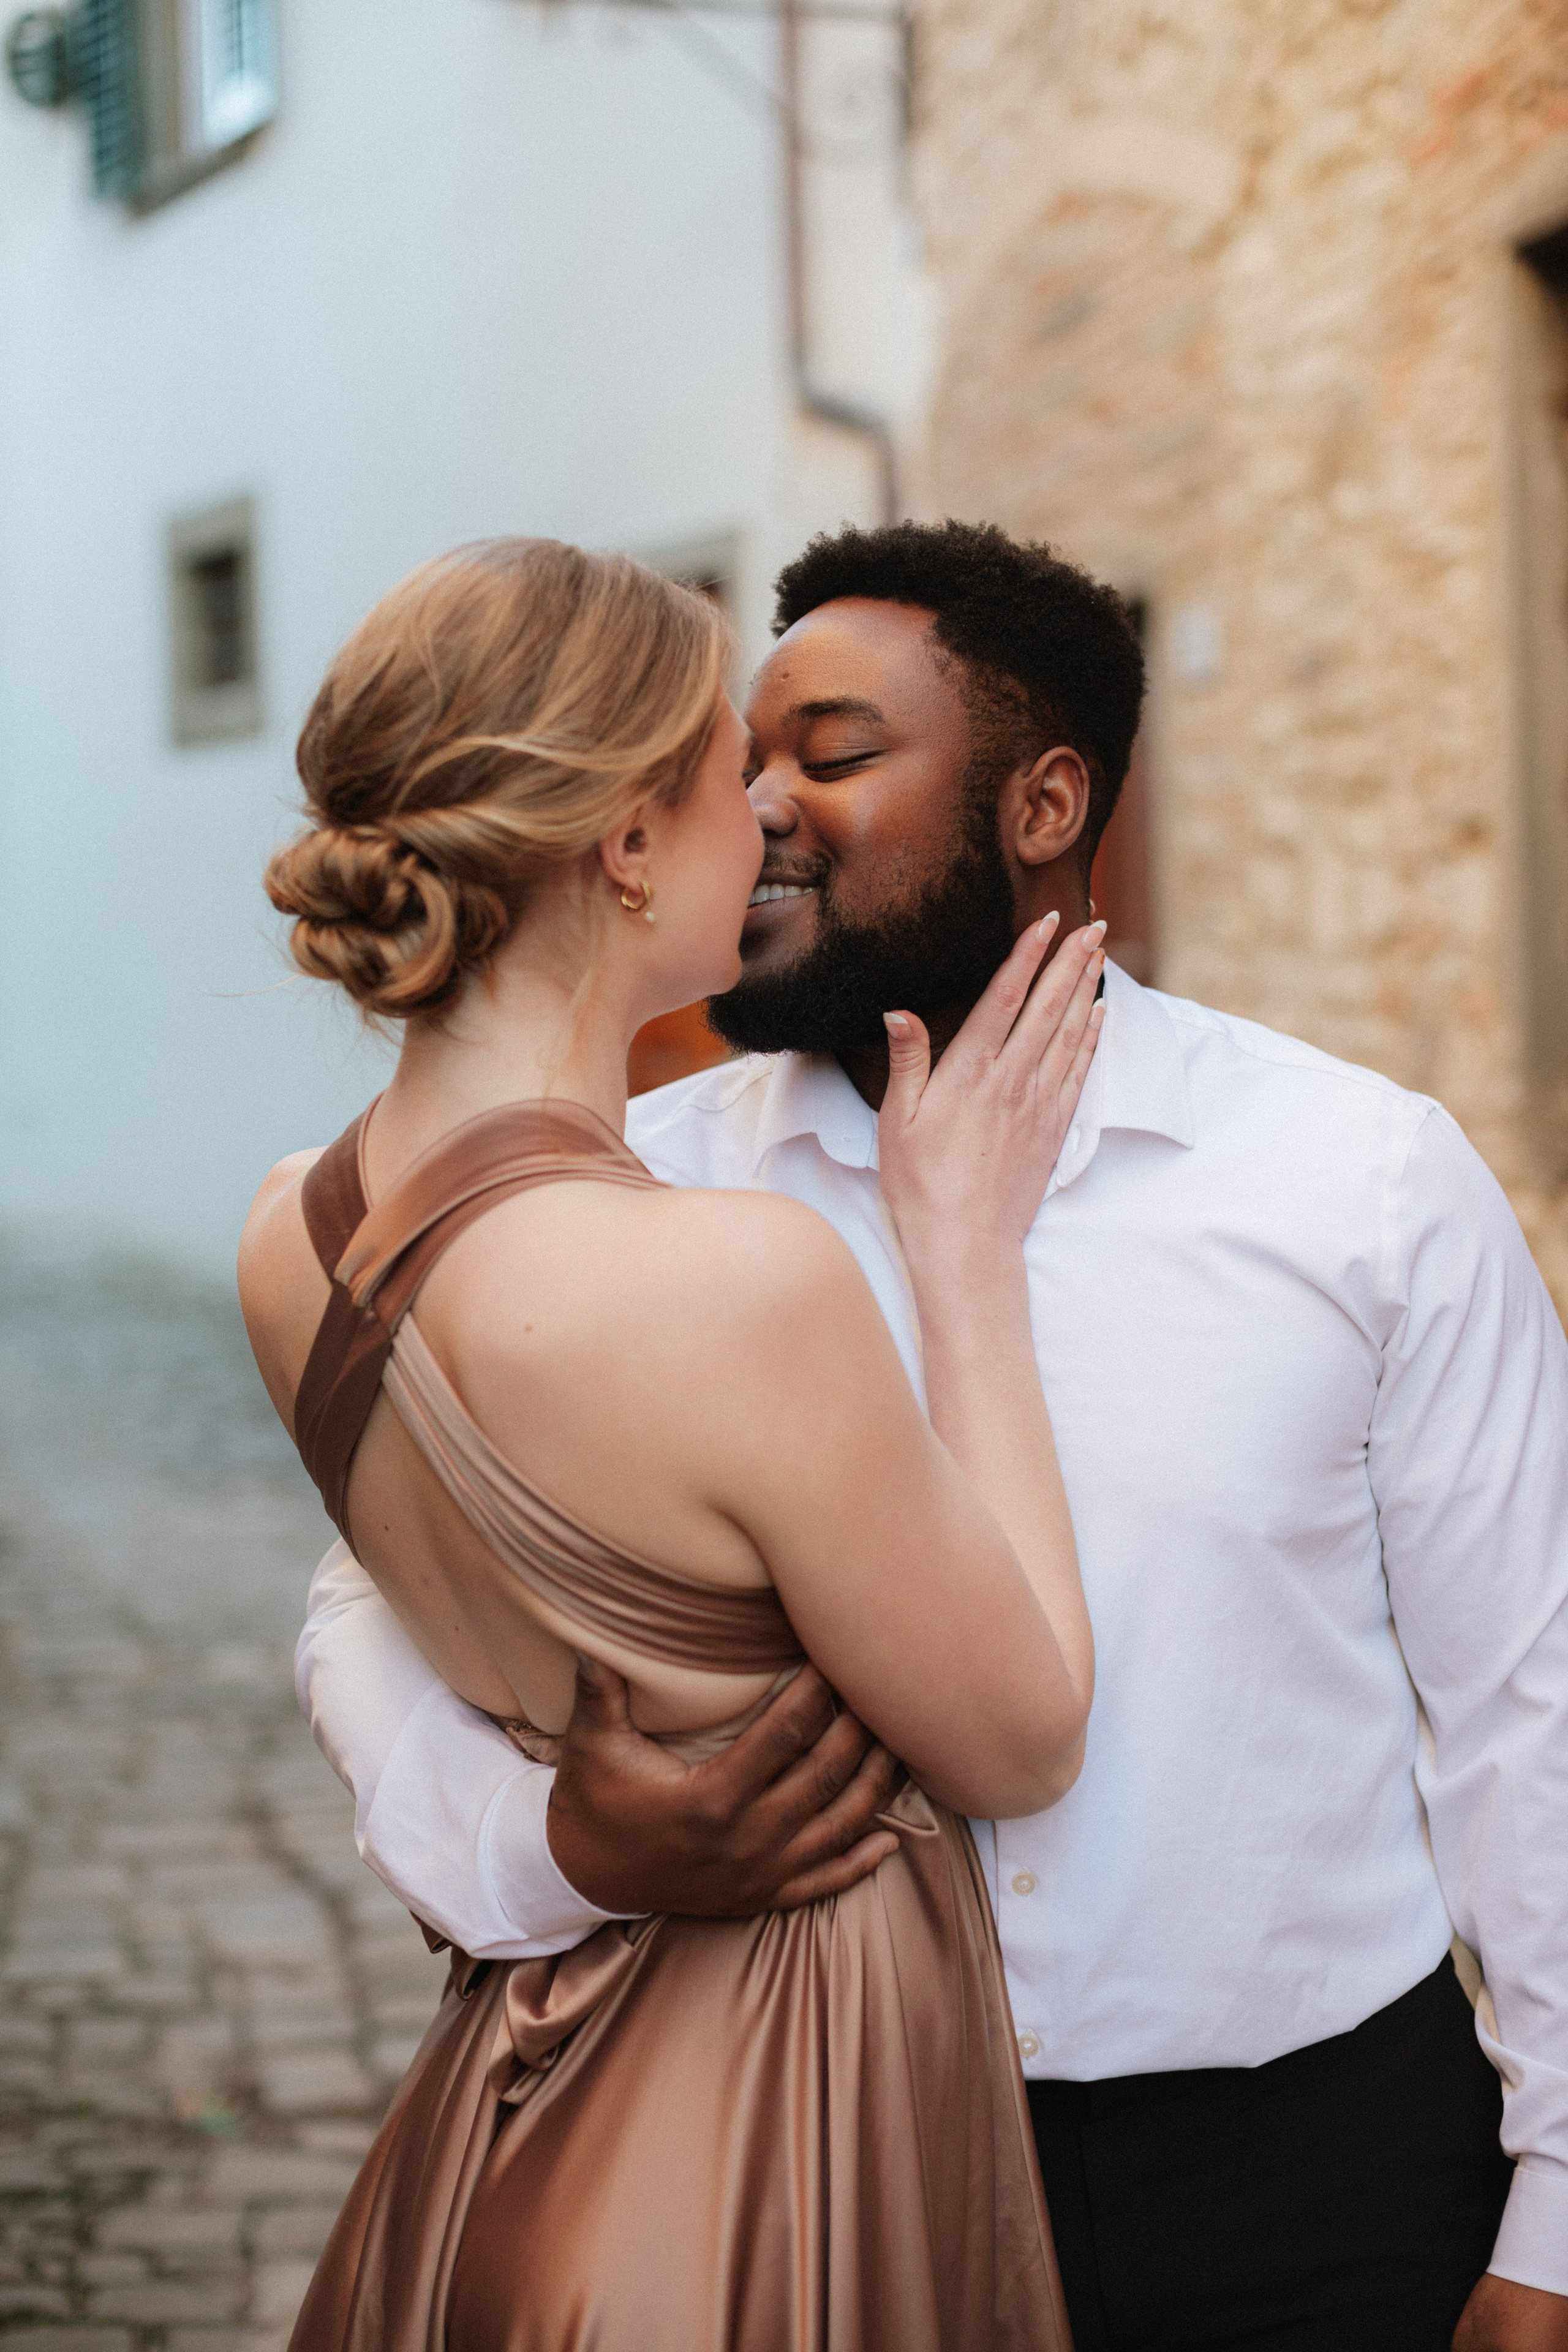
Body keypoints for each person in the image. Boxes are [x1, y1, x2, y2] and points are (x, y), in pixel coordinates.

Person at [299, 520, 1568, 2352]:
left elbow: (1531, 1699)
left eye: (832, 751)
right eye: (742, 762)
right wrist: (549, 1844)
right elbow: (373, 1592)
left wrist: (1554, 2215)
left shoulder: (1360, 1181)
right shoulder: (642, 1185)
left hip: (1316, 2183)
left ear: (1043, 803)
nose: (757, 807)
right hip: (809, 2163)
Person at [238, 534, 1110, 2352]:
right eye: (733, 774)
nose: (773, 818)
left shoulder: (285, 1238)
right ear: (627, 847)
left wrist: (536, 1842)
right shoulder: (733, 1281)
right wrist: (964, 1271)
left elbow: (393, 1602)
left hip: (522, 2079)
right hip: (782, 2091)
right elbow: (1022, 1732)